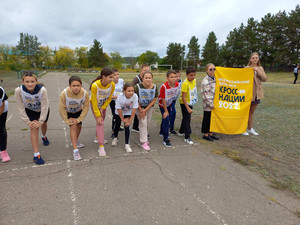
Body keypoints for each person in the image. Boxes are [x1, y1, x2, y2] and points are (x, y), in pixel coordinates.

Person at [15, 71, 50, 165]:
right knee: (34, 129)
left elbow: (44, 106)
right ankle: (36, 155)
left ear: (36, 81)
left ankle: (44, 136)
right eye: (27, 81)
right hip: (30, 110)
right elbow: (20, 107)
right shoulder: (18, 90)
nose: (30, 84)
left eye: (32, 81)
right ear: (23, 82)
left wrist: (41, 121)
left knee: (44, 124)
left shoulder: (42, 90)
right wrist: (28, 122)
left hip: (42, 110)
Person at [59, 76, 89, 160]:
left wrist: (80, 119)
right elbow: (61, 108)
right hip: (68, 112)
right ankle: (75, 151)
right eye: (74, 85)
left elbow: (86, 106)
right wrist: (66, 120)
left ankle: (75, 141)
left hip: (78, 111)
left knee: (79, 126)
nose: (76, 88)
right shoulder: (64, 93)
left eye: (78, 85)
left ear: (81, 85)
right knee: (73, 126)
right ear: (70, 86)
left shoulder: (85, 93)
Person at [90, 68, 115, 156]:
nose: (112, 79)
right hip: (95, 105)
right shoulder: (95, 85)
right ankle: (101, 146)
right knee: (100, 122)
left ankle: (97, 137)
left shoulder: (111, 85)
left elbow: (109, 98)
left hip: (103, 105)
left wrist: (103, 107)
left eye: (113, 77)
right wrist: (98, 114)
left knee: (102, 120)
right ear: (103, 77)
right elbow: (93, 101)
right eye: (110, 77)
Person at [242, 52, 268, 136]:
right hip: (247, 93)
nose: (255, 59)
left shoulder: (260, 68)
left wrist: (258, 71)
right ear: (250, 59)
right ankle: (242, 129)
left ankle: (250, 128)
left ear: (258, 59)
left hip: (257, 93)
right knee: (245, 112)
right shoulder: (246, 68)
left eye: (256, 57)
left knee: (251, 112)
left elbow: (265, 79)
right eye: (253, 58)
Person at [111, 83, 138, 153]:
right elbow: (119, 109)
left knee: (127, 126)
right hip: (119, 112)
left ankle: (127, 144)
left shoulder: (135, 96)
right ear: (124, 91)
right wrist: (122, 119)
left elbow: (134, 109)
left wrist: (130, 120)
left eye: (132, 91)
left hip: (128, 112)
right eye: (129, 91)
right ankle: (115, 137)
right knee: (117, 125)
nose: (131, 92)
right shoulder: (120, 97)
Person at [134, 71, 158, 151]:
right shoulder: (137, 87)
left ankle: (144, 135)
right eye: (146, 78)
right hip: (139, 107)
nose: (148, 79)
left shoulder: (154, 87)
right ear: (142, 79)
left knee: (147, 122)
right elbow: (135, 99)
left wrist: (146, 110)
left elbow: (154, 99)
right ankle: (143, 141)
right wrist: (141, 110)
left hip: (149, 107)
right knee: (143, 122)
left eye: (149, 78)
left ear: (152, 79)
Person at [158, 70, 180, 147]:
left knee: (168, 117)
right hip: (162, 104)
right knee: (166, 118)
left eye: (175, 77)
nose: (174, 78)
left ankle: (161, 131)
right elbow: (163, 99)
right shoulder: (164, 86)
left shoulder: (177, 84)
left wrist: (171, 105)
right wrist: (166, 111)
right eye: (171, 77)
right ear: (167, 78)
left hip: (170, 103)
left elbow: (174, 95)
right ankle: (166, 138)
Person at [179, 66, 198, 145]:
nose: (193, 77)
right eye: (191, 75)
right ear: (186, 75)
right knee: (187, 119)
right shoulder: (185, 84)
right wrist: (187, 108)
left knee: (186, 117)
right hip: (184, 103)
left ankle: (181, 131)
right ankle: (187, 136)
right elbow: (183, 97)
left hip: (190, 102)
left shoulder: (194, 80)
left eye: (194, 75)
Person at [201, 63, 219, 142]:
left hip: (214, 103)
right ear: (207, 71)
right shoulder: (205, 81)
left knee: (212, 119)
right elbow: (206, 95)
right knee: (207, 119)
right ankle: (205, 134)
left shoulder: (215, 78)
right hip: (208, 104)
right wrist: (211, 104)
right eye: (210, 69)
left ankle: (211, 133)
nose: (213, 71)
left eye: (214, 69)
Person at [131, 64, 151, 132]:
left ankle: (135, 127)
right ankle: (141, 130)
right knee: (140, 114)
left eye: (148, 70)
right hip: (137, 99)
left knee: (141, 115)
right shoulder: (136, 79)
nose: (147, 71)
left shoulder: (148, 77)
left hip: (144, 99)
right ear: (141, 71)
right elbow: (132, 89)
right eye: (145, 70)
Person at [109, 68, 125, 138]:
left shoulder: (121, 81)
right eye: (115, 75)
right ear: (112, 76)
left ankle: (118, 127)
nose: (117, 76)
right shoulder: (110, 83)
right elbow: (109, 96)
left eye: (118, 74)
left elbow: (124, 89)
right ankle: (113, 131)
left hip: (121, 101)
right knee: (115, 115)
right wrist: (116, 96)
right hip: (113, 102)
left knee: (120, 114)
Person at [169, 69, 182, 135]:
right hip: (169, 100)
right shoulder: (171, 83)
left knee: (172, 113)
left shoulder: (180, 82)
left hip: (174, 100)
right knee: (172, 112)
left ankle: (170, 126)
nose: (177, 78)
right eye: (176, 76)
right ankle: (170, 127)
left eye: (179, 76)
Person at [0, 85, 11, 162]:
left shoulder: (0, 91)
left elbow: (2, 107)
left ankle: (3, 151)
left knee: (1, 129)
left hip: (1, 109)